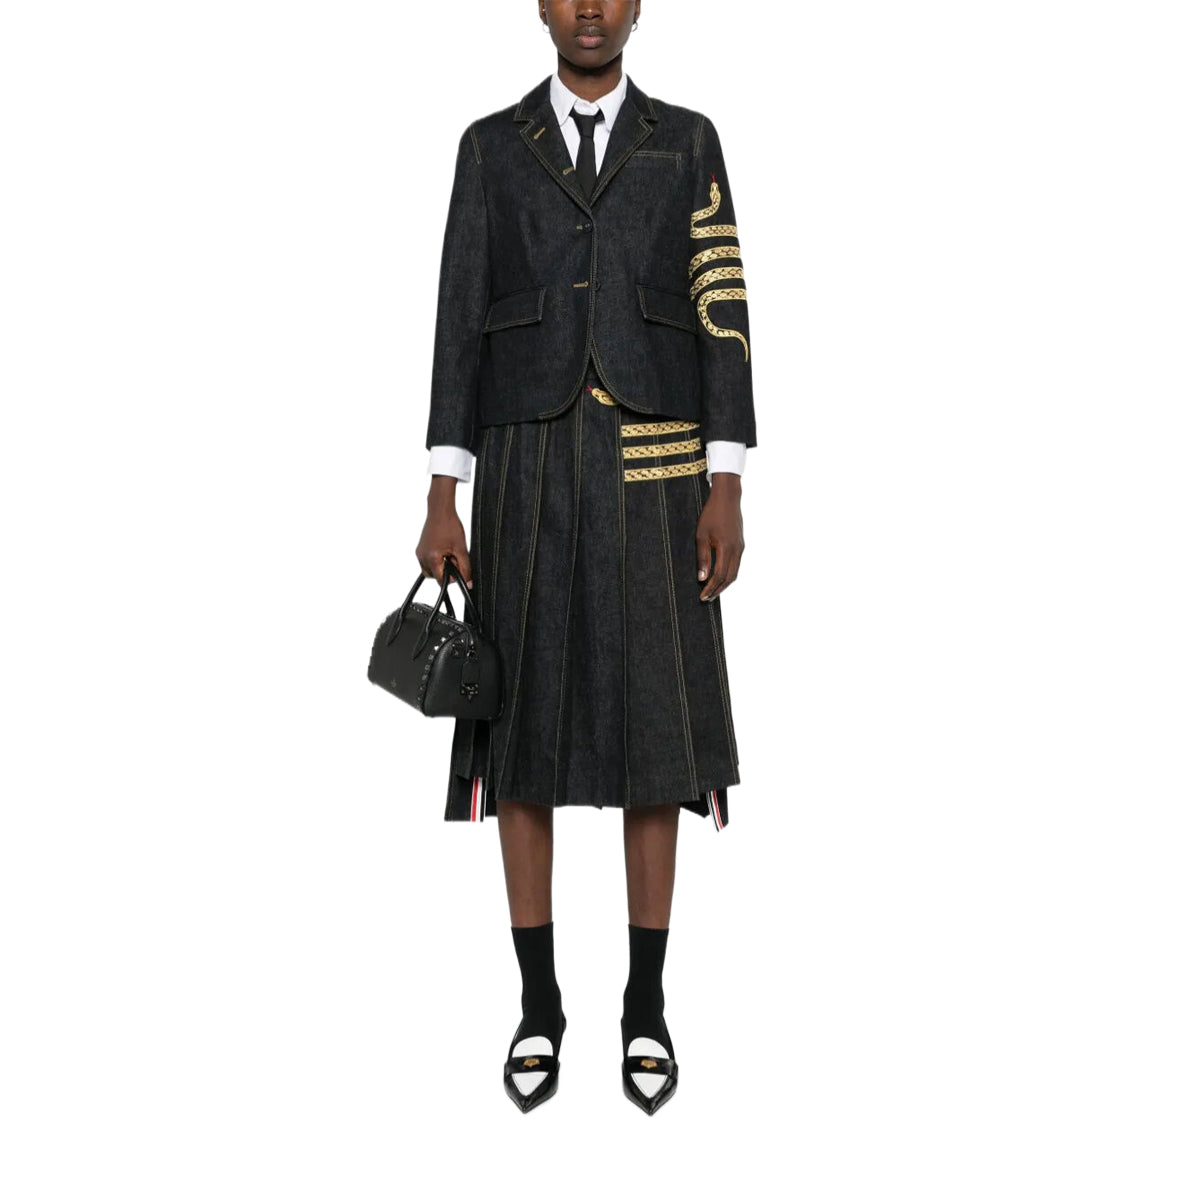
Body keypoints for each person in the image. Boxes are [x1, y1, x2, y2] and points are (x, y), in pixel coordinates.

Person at [415, 0, 756, 1115]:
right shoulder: (489, 148)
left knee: (657, 731)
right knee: (522, 735)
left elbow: (723, 307)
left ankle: (645, 1003)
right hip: (522, 458)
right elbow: (458, 319)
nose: (590, 8)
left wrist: (726, 479)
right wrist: (443, 493)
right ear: (541, 4)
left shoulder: (687, 141)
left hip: (658, 459)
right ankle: (539, 1002)